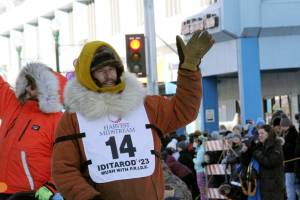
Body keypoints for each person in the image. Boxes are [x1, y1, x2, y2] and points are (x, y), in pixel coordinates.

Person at [51, 30, 214, 200]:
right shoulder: (73, 119)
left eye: (111, 68)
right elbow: (64, 170)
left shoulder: (146, 106)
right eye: (100, 70)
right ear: (86, 74)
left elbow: (183, 111)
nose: (108, 74)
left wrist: (189, 70)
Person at [0, 62, 66, 200]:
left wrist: (52, 186)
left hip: (30, 194)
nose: (28, 89)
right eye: (28, 83)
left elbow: (66, 159)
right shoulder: (13, 103)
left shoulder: (57, 119)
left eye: (34, 85)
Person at [240, 125, 285, 200]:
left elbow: (270, 162)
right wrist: (245, 153)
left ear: (269, 133)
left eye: (262, 133)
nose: (260, 136)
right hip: (262, 185)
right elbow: (245, 162)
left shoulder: (276, 145)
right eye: (259, 133)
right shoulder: (259, 146)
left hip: (274, 186)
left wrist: (256, 153)